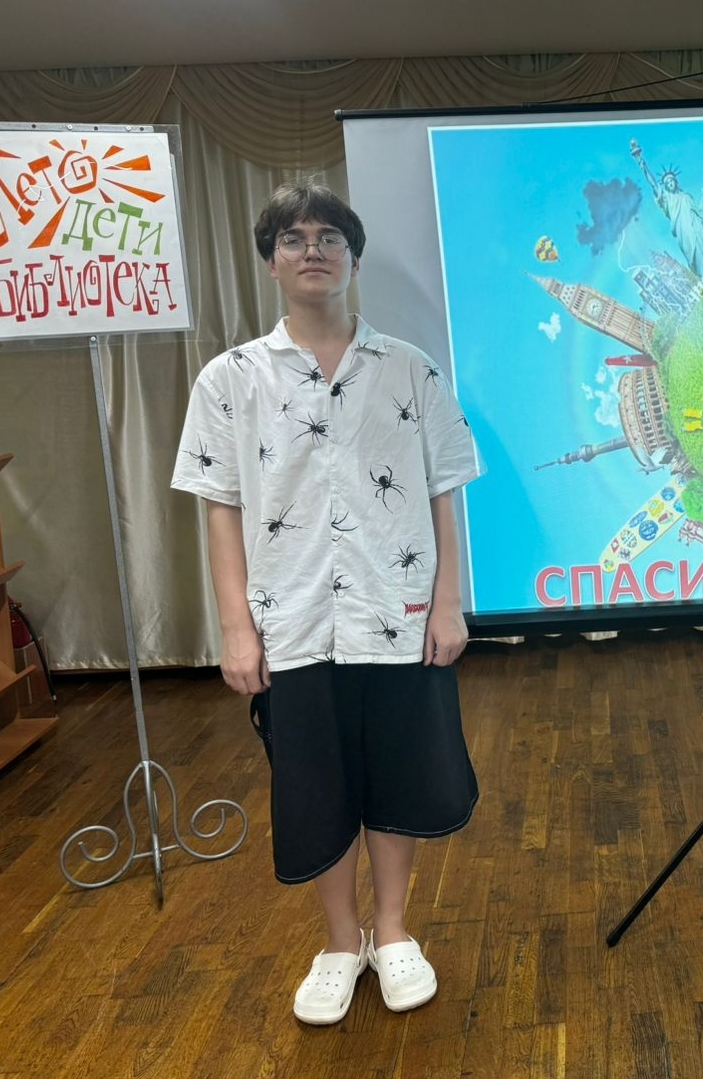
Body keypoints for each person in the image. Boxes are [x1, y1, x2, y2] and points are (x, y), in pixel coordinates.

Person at [171, 181, 482, 1026]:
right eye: (294, 238)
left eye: (330, 236)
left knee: (398, 777)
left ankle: (393, 929)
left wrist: (447, 602)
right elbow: (220, 509)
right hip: (293, 623)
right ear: (271, 261)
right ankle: (341, 943)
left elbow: (445, 488)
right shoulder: (229, 379)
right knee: (316, 787)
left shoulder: (410, 368)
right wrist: (236, 628)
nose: (313, 249)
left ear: (354, 257)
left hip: (397, 612)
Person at [629, 139, 703, 276]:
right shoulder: (667, 199)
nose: (670, 183)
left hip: (698, 228)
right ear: (665, 186)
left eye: (672, 180)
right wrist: (642, 165)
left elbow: (700, 215)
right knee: (695, 256)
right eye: (667, 183)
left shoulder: (686, 196)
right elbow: (654, 185)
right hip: (684, 232)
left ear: (676, 182)